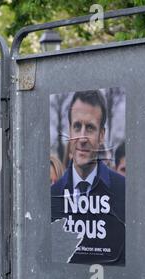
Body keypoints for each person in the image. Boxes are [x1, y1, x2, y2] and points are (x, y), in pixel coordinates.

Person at [51, 90, 125, 265]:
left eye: (90, 128)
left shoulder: (123, 190)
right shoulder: (52, 195)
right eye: (77, 126)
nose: (82, 138)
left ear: (101, 135)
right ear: (69, 131)